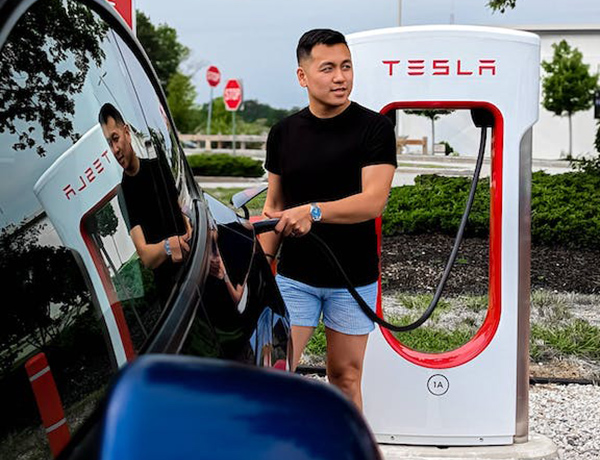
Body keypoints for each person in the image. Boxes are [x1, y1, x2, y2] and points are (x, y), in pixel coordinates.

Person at [260, 29, 397, 409]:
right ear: (303, 76)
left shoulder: (375, 128)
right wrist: (254, 271)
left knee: (345, 376)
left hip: (353, 278)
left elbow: (373, 201)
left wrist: (314, 211)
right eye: (329, 68)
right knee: (276, 373)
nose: (341, 77)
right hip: (296, 277)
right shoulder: (283, 133)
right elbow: (275, 206)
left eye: (346, 66)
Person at [98, 103, 192, 303]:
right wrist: (168, 246)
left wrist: (189, 223)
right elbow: (146, 256)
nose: (115, 149)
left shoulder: (158, 166)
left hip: (194, 265)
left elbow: (182, 205)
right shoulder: (125, 194)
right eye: (109, 144)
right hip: (173, 293)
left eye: (116, 139)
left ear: (127, 133)